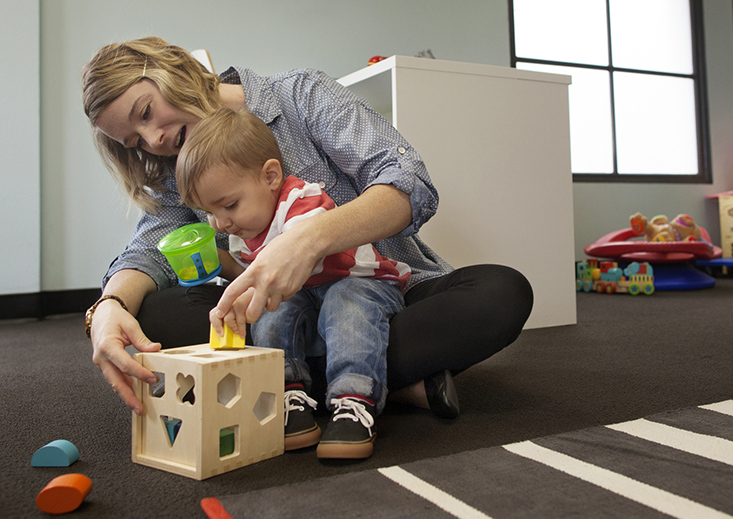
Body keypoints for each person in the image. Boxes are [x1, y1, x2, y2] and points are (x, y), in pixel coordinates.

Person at [81, 36, 533, 423]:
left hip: (378, 293)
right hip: (271, 314)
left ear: (171, 69)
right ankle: (373, 381)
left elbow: (407, 180)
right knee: (148, 315)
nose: (153, 140)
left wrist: (308, 239)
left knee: (501, 293)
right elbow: (149, 248)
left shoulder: (301, 94)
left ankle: (291, 385)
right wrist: (108, 307)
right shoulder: (171, 165)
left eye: (145, 112)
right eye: (135, 140)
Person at [177, 107, 411, 458]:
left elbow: (302, 257)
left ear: (271, 176)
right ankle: (289, 395)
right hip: (306, 300)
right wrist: (213, 265)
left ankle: (353, 399)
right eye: (210, 212)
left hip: (361, 285)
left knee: (344, 302)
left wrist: (253, 292)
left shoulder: (301, 201)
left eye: (229, 205)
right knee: (272, 312)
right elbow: (249, 271)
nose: (220, 223)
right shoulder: (242, 228)